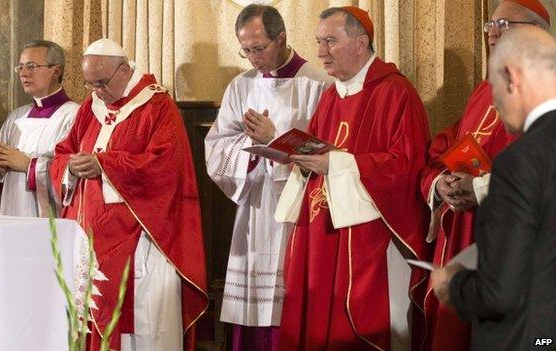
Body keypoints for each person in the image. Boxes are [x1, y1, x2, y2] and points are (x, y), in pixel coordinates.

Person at [274, 6, 430, 351]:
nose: (320, 52)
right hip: (322, 230)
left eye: (330, 40)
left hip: (368, 234)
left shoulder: (395, 93)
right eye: (318, 41)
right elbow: (318, 151)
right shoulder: (331, 95)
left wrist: (339, 165)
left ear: (361, 43)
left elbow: (406, 165)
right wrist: (299, 159)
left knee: (359, 324)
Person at [49, 38, 207, 351]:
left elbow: (166, 166)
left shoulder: (157, 106)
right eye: (89, 83)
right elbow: (63, 152)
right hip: (91, 234)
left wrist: (104, 165)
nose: (96, 91)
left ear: (124, 70)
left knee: (142, 320)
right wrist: (71, 167)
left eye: (102, 82)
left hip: (142, 237)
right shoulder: (90, 107)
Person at [419, 1, 550, 349]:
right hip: (468, 233)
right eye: (490, 25)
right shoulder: (485, 88)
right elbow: (447, 146)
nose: (493, 32)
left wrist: (479, 187)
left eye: (505, 23)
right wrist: (441, 184)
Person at [204, 4, 330, 350]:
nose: (253, 58)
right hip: (255, 204)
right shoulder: (240, 86)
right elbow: (216, 145)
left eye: (259, 48)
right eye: (246, 50)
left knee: (288, 298)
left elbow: (328, 152)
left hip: (297, 206)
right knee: (251, 303)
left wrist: (275, 139)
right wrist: (248, 149)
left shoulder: (318, 84)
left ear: (282, 38)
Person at [0, 40, 79, 217]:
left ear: (56, 71)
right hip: (10, 211)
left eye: (31, 66)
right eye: (20, 67)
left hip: (45, 219)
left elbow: (71, 175)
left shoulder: (73, 115)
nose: (24, 74)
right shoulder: (16, 118)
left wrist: (28, 165)